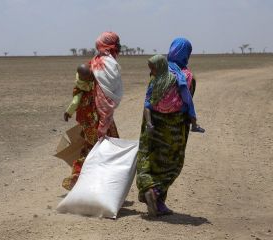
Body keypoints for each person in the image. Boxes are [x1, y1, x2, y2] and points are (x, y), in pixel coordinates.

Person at [136, 38, 201, 217]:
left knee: (149, 157)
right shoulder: (188, 77)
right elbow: (188, 105)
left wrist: (148, 122)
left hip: (153, 124)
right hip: (175, 127)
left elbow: (148, 100)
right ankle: (157, 195)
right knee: (172, 162)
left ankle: (150, 191)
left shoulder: (159, 71)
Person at [62, 31, 122, 190]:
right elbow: (108, 99)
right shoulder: (107, 65)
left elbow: (78, 94)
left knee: (91, 148)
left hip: (90, 120)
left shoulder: (92, 63)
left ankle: (81, 179)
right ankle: (99, 185)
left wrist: (70, 111)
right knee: (104, 150)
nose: (119, 48)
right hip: (101, 118)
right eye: (116, 44)